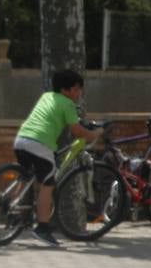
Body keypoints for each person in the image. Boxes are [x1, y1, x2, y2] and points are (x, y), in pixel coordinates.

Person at [14, 69, 104, 246]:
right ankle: (42, 228)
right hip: (40, 144)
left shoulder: (46, 96)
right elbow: (76, 131)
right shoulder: (68, 104)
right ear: (65, 90)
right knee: (48, 183)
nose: (79, 93)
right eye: (76, 89)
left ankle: (13, 207)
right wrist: (95, 134)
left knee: (26, 175)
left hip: (21, 141)